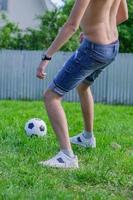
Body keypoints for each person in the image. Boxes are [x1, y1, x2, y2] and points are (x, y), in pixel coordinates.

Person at [36, 0, 128, 169]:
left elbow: (71, 25)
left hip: (94, 49)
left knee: (51, 97)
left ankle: (67, 157)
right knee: (83, 86)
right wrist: (96, 28)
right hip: (112, 47)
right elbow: (123, 15)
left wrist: (47, 56)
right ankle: (87, 138)